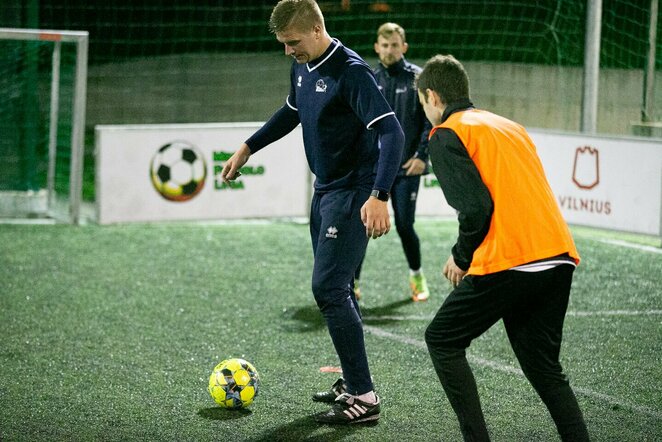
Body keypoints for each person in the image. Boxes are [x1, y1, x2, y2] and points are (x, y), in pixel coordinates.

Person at [221, 0, 404, 425]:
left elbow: (392, 132)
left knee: (328, 288)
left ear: (317, 30)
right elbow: (292, 111)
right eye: (284, 44)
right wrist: (249, 147)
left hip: (354, 192)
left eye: (294, 42)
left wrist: (379, 194)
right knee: (339, 289)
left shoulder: (351, 70)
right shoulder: (303, 66)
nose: (288, 51)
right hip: (325, 192)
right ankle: (354, 382)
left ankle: (365, 397)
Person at [416, 54, 590, 441]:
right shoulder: (510, 126)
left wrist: (461, 257)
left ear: (432, 96)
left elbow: (476, 206)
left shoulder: (446, 133)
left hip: (511, 260)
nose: (424, 111)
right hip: (558, 256)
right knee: (545, 369)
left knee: (442, 340)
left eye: (422, 103)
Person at [353, 22, 432, 302]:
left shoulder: (419, 79)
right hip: (374, 171)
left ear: (404, 47)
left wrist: (422, 156)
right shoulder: (369, 79)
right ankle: (353, 283)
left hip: (406, 169)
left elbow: (430, 121)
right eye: (384, 46)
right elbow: (360, 125)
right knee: (363, 225)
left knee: (405, 225)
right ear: (377, 47)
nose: (389, 50)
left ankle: (417, 276)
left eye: (394, 45)